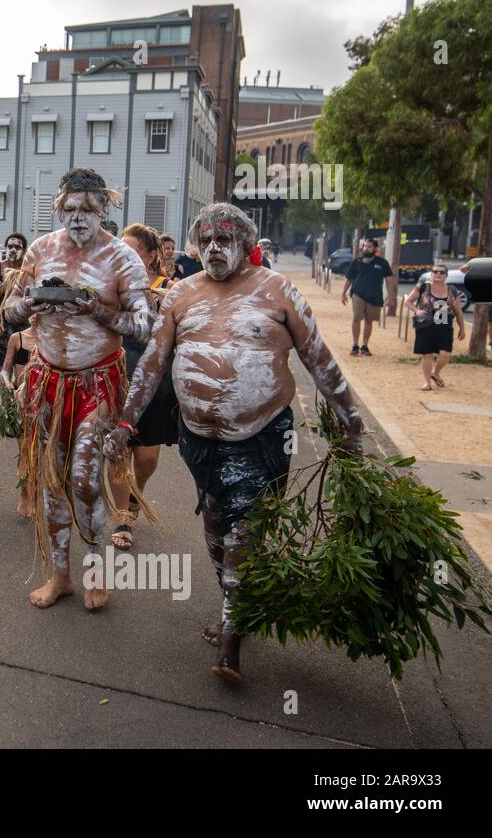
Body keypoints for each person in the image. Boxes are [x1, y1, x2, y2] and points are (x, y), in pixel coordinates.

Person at [106, 203, 364, 684]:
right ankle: (235, 603)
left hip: (261, 435)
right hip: (199, 439)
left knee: (245, 529)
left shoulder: (278, 291)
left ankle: (230, 640)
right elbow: (152, 366)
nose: (214, 249)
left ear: (246, 244)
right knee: (216, 522)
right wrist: (125, 423)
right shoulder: (182, 294)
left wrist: (351, 426)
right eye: (205, 241)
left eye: (224, 240)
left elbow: (321, 361)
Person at [2, 167, 152, 612]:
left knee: (85, 478)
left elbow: (143, 325)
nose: (78, 217)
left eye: (88, 208)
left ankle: (95, 570)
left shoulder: (123, 258)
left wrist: (96, 310)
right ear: (59, 208)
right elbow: (8, 313)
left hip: (97, 383)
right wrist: (31, 303)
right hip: (47, 381)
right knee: (51, 482)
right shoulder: (40, 250)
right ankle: (60, 576)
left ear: (104, 208)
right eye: (69, 208)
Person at [110, 223, 177, 551]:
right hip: (116, 380)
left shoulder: (169, 289)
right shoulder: (112, 286)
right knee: (117, 451)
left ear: (152, 256)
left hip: (155, 385)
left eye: (134, 250)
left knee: (147, 456)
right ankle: (123, 516)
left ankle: (137, 493)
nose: (125, 255)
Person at [404, 265, 466, 390]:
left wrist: (462, 328)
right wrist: (417, 310)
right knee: (427, 354)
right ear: (431, 274)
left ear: (446, 275)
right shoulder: (423, 288)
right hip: (427, 324)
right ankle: (427, 382)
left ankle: (436, 372)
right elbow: (407, 302)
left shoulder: (453, 291)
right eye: (435, 272)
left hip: (445, 325)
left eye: (442, 272)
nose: (438, 274)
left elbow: (458, 311)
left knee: (445, 354)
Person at [0, 315, 38, 517]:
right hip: (22, 402)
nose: (35, 317)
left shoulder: (53, 339)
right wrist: (6, 381)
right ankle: (25, 495)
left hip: (44, 404)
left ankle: (40, 492)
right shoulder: (17, 338)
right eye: (31, 312)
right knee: (25, 450)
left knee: (42, 451)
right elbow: (6, 368)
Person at [341, 237, 392, 356]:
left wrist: (390, 296)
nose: (366, 248)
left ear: (375, 249)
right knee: (356, 318)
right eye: (364, 246)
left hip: (375, 296)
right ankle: (355, 345)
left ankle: (365, 346)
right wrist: (343, 293)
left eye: (369, 246)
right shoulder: (356, 262)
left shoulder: (382, 263)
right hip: (358, 294)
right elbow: (349, 278)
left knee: (369, 321)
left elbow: (389, 280)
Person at [0, 234, 29, 371]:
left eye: (17, 247)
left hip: (23, 322)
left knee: (22, 369)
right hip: (2, 325)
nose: (13, 250)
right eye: (10, 246)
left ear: (24, 250)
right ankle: (5, 392)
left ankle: (19, 392)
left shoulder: (28, 269)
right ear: (5, 248)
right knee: (3, 369)